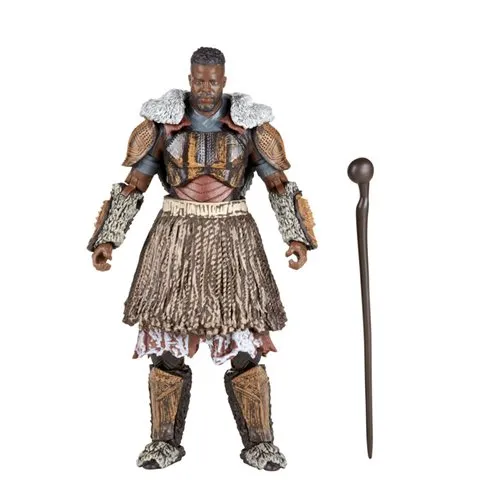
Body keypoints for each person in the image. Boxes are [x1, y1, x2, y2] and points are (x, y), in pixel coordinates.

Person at [88, 47, 317, 471]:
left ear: (224, 80)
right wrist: (108, 238)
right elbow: (135, 184)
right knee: (166, 346)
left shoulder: (250, 128)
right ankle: (163, 442)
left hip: (234, 238)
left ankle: (260, 444)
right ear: (190, 79)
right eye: (199, 80)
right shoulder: (162, 126)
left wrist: (296, 236)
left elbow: (279, 185)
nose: (205, 88)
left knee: (245, 345)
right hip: (174, 238)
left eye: (213, 81)